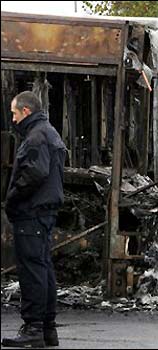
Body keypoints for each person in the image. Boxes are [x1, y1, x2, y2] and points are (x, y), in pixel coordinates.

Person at [2, 91, 66, 348]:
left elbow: (35, 173)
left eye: (15, 113)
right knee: (43, 268)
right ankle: (47, 328)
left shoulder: (36, 137)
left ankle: (34, 328)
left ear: (25, 112)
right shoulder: (48, 132)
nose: (13, 119)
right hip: (44, 211)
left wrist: (13, 198)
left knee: (32, 271)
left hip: (32, 211)